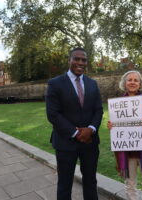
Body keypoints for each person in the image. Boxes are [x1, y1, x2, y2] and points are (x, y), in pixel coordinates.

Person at [46, 47, 103, 200]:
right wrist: (76, 132)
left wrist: (91, 129)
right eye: (76, 59)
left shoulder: (92, 84)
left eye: (83, 60)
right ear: (69, 60)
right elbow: (53, 114)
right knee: (64, 184)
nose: (80, 62)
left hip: (90, 142)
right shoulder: (55, 83)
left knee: (91, 181)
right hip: (66, 142)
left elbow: (98, 110)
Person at [107, 70, 142, 200]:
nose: (132, 82)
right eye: (129, 80)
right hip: (127, 153)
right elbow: (118, 129)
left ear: (140, 84)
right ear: (124, 83)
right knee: (130, 186)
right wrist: (112, 127)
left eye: (135, 80)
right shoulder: (117, 105)